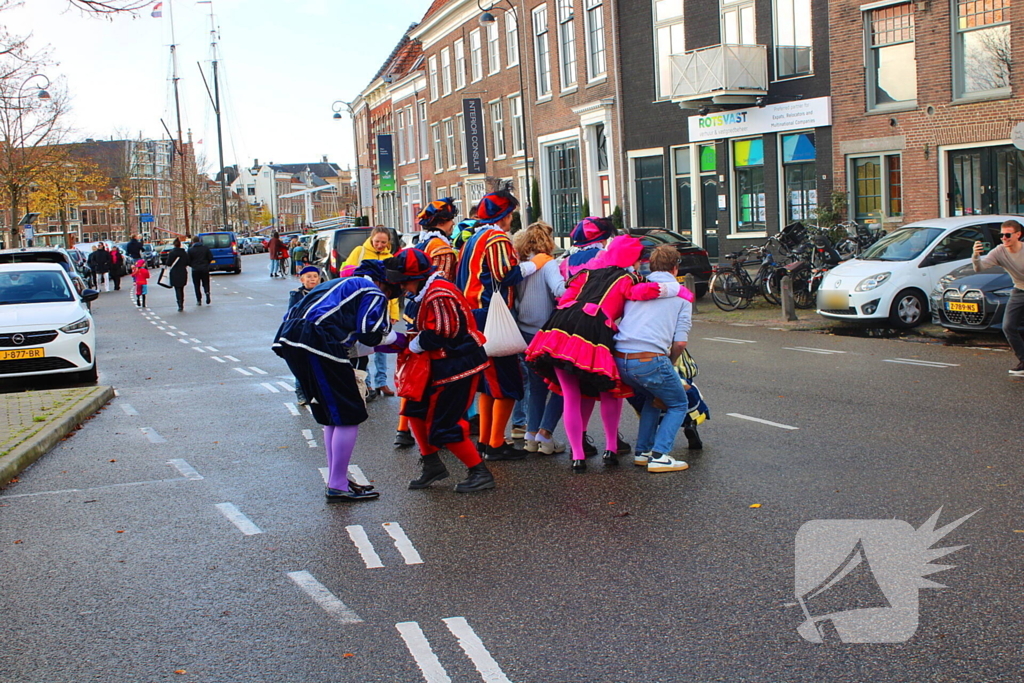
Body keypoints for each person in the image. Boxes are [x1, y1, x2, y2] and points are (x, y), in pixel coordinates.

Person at [526, 235, 685, 472]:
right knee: (610, 388)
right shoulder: (629, 279)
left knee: (572, 394)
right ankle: (610, 449)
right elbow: (642, 294)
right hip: (596, 330)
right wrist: (679, 290)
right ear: (633, 260)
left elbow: (566, 298)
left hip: (560, 327)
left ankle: (577, 456)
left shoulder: (587, 274)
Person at [273, 260, 401, 502]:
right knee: (348, 412)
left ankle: (337, 479)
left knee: (331, 413)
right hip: (319, 342)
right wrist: (399, 339)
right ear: (386, 284)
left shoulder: (337, 283)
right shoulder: (372, 291)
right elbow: (370, 332)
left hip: (290, 340)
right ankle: (337, 485)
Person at [383, 248, 495, 492]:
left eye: (404, 283)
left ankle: (479, 472)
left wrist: (413, 343)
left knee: (445, 424)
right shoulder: (429, 291)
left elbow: (443, 332)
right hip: (441, 363)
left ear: (415, 278)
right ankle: (432, 464)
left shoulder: (438, 294)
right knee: (414, 410)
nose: (403, 289)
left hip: (458, 365)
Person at [455, 188, 551, 461]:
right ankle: (496, 443)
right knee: (510, 381)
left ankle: (486, 440)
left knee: (488, 383)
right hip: (491, 316)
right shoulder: (496, 237)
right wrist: (536, 264)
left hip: (474, 314)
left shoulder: (473, 237)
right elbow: (504, 275)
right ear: (505, 216)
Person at [614, 244, 697, 473]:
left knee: (653, 397)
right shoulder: (681, 295)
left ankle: (643, 452)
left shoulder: (638, 289)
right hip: (650, 359)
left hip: (621, 359)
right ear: (675, 267)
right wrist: (669, 364)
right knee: (679, 403)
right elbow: (680, 342)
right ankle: (660, 455)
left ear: (650, 266)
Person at [512, 222, 567, 455]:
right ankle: (546, 435)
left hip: (523, 332)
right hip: (544, 333)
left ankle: (531, 435)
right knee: (562, 385)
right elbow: (560, 291)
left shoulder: (522, 265)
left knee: (536, 388)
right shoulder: (547, 263)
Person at [343, 227, 399, 399]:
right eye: (377, 241)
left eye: (384, 242)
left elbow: (393, 290)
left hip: (383, 307)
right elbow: (346, 272)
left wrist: (394, 313)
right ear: (371, 239)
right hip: (362, 308)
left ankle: (381, 381)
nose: (380, 245)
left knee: (382, 346)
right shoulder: (360, 252)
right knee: (363, 347)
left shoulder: (390, 258)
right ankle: (365, 384)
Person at [973, 219, 1024, 376]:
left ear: (1018, 235)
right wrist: (975, 256)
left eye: (1007, 235)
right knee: (1008, 326)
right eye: (1001, 235)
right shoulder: (999, 251)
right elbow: (979, 268)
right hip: (1019, 290)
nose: (1004, 238)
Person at [287, 265, 323, 406]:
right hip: (302, 332)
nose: (312, 279)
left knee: (319, 364)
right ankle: (301, 393)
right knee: (302, 364)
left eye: (315, 276)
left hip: (318, 332)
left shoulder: (323, 292)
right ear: (302, 279)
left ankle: (318, 393)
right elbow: (291, 314)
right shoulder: (296, 294)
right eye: (308, 277)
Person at [187, 236, 215, 306]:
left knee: (197, 285)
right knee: (206, 283)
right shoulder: (205, 248)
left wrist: (192, 265)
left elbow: (188, 260)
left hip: (195, 269)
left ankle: (199, 300)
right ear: (200, 241)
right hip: (204, 268)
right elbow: (210, 257)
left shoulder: (190, 250)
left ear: (193, 242)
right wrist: (206, 264)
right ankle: (207, 293)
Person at [166, 238, 189, 312]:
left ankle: (179, 304)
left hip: (174, 272)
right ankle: (182, 302)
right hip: (182, 271)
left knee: (177, 289)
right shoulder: (184, 253)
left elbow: (168, 263)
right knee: (181, 288)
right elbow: (188, 262)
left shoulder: (171, 253)